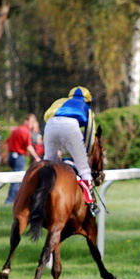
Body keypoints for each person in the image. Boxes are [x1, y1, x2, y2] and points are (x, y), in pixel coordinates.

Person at [43, 86, 99, 216]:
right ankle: (91, 203)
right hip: (70, 126)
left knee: (48, 163)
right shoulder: (86, 108)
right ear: (88, 100)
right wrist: (86, 153)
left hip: (50, 124)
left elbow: (47, 117)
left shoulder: (59, 101)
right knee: (83, 167)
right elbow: (90, 134)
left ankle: (39, 195)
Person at [5, 114, 42, 204]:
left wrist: (7, 156)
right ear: (26, 121)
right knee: (17, 179)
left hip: (11, 155)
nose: (32, 124)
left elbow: (7, 143)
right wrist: (37, 157)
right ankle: (11, 200)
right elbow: (29, 146)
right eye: (31, 122)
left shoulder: (16, 130)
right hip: (19, 157)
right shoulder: (25, 131)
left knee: (15, 178)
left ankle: (13, 199)